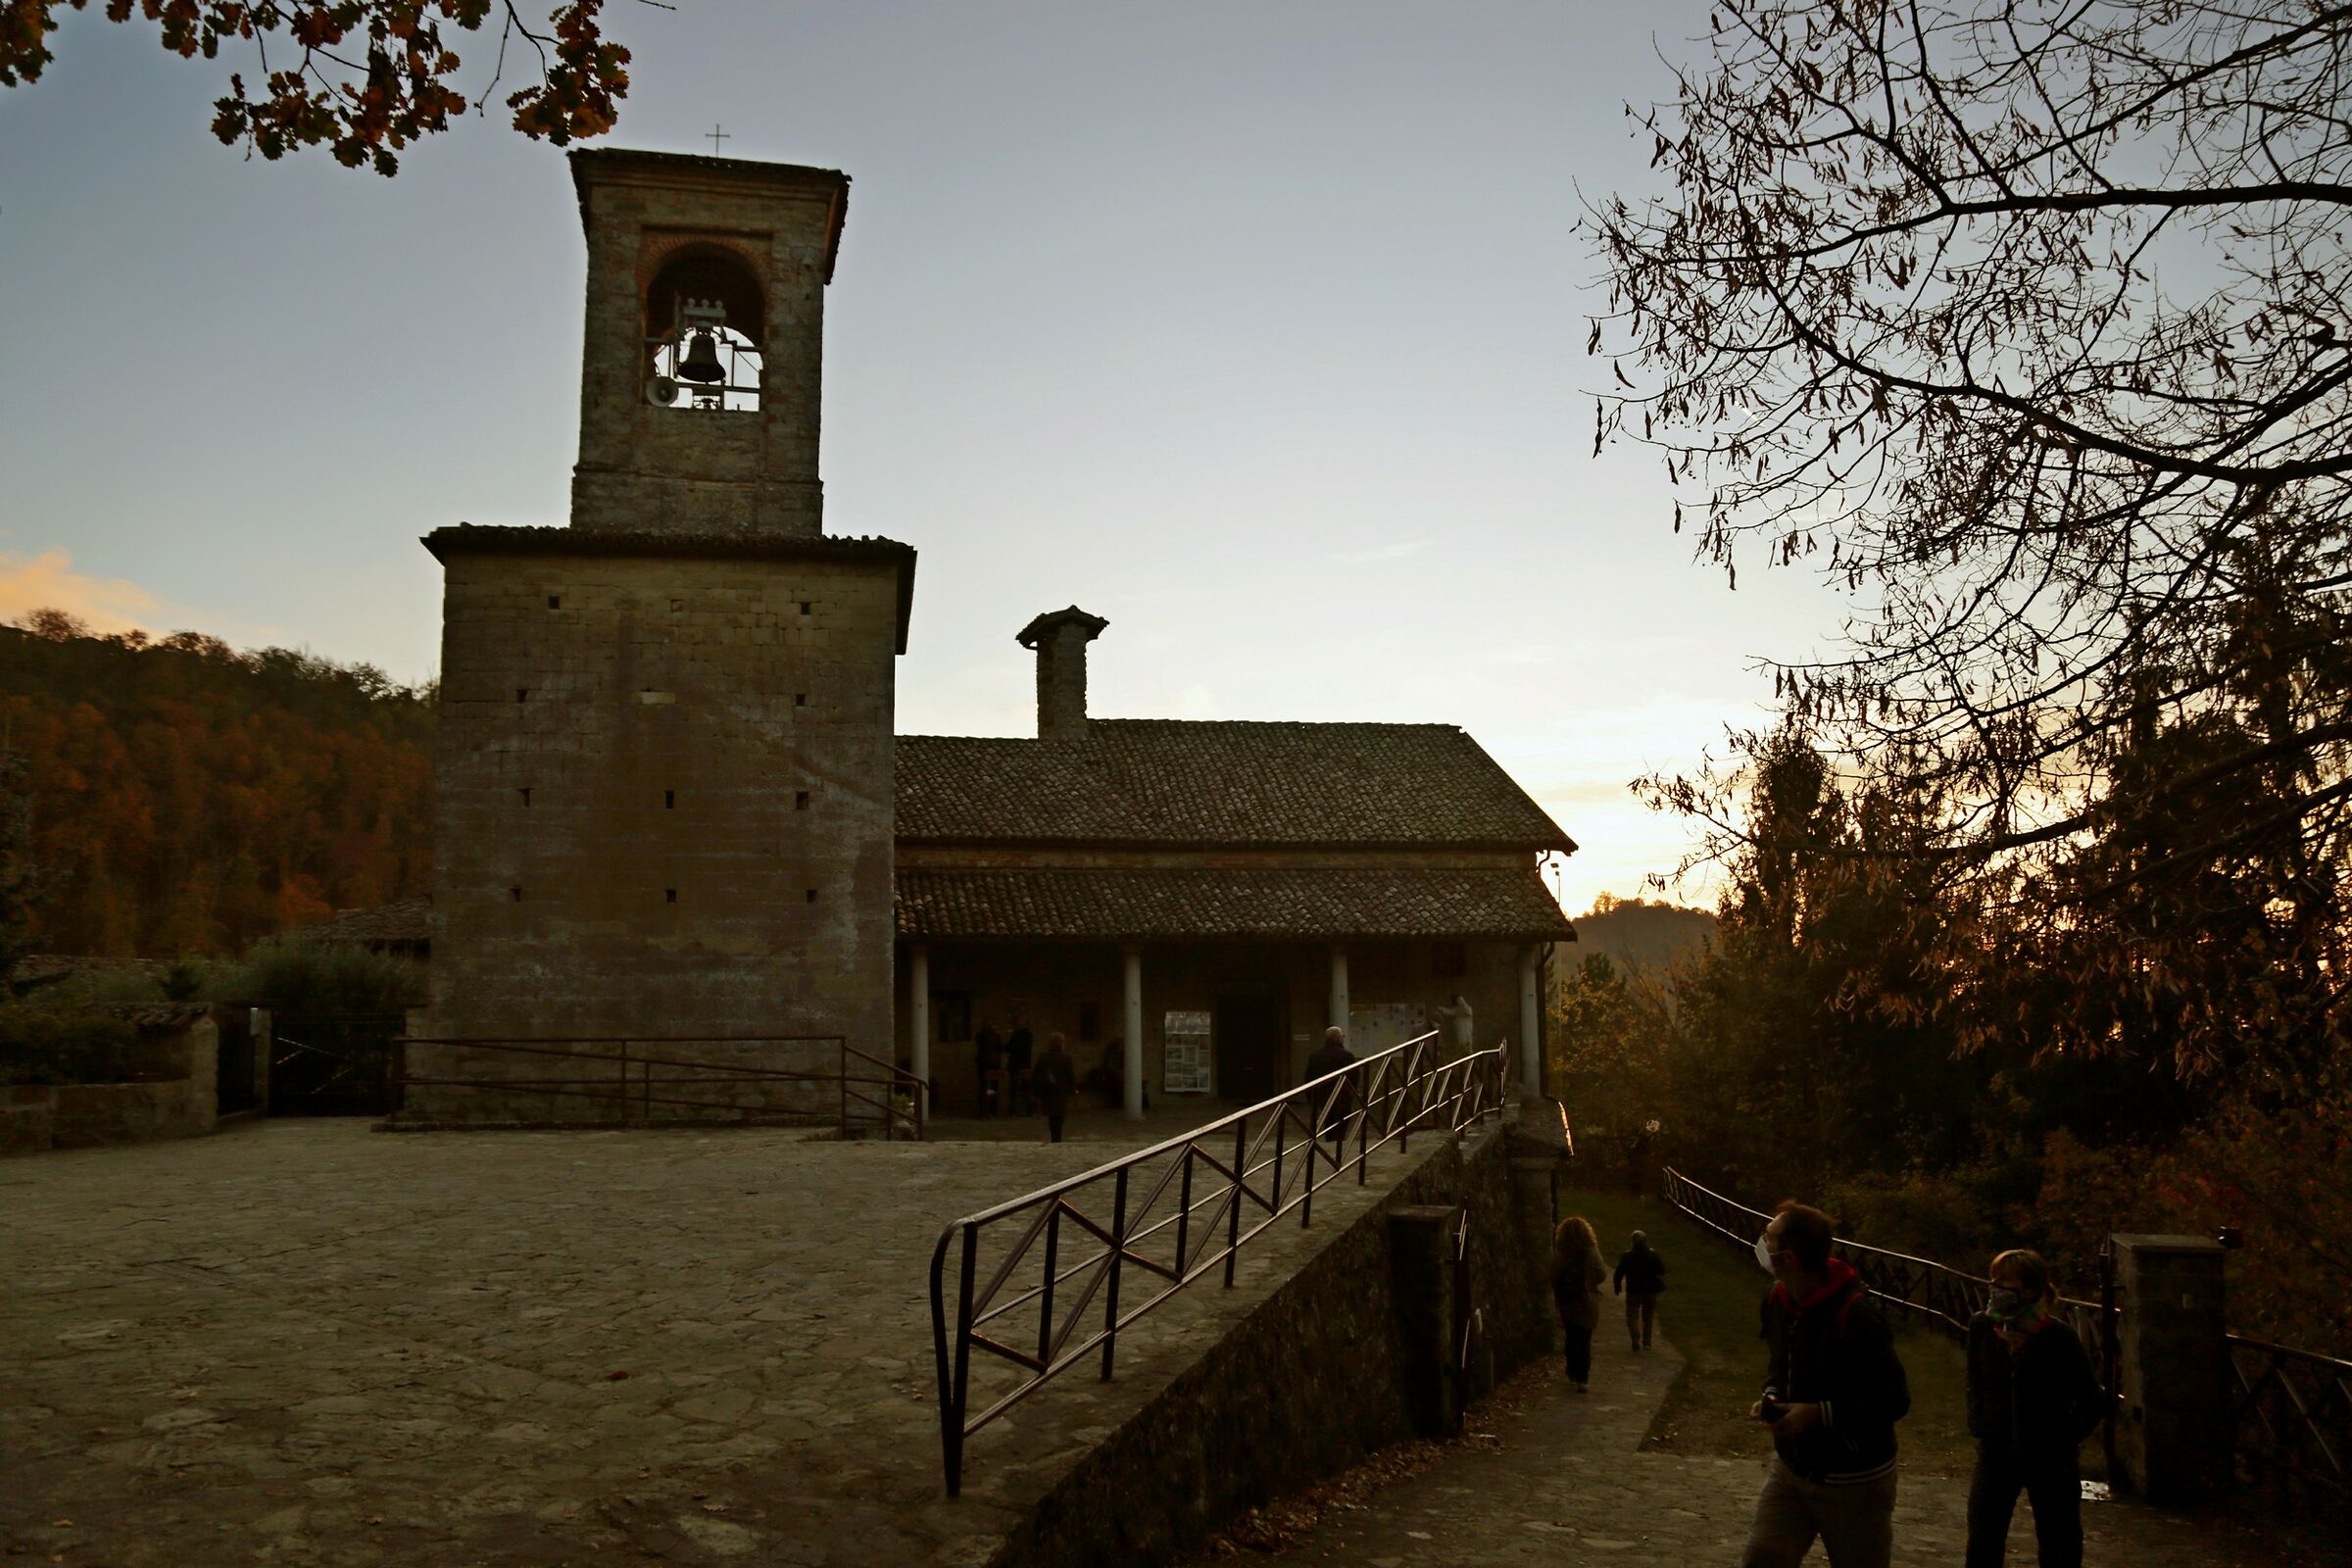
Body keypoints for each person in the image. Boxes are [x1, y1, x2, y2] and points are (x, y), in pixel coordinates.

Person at [1740, 1200, 1910, 1568]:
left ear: (1790, 1257)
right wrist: (1772, 1396)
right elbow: (1779, 1363)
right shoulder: (1777, 1299)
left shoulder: (1857, 1316)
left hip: (1855, 1480)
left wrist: (1818, 1415)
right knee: (1762, 1559)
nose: (1761, 1243)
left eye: (1768, 1238)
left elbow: (1894, 1400)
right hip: (1792, 1470)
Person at [1963, 1250, 2104, 1568]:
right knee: (1984, 1538)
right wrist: (1980, 1423)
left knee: (2059, 1542)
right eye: (1994, 1279)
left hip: (2050, 1459)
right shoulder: (1982, 1327)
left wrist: (2062, 1441)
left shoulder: (2059, 1337)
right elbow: (1975, 1380)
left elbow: (2091, 1400)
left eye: (2005, 1281)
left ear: (2029, 1289)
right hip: (1996, 1453)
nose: (1995, 1286)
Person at [1551, 1215, 1607, 1392]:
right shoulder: (1591, 1251)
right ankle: (1582, 1378)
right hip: (1587, 1301)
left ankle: (1572, 1369)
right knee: (1584, 1339)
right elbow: (1601, 1273)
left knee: (1571, 1336)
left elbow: (1553, 1274)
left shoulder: (1561, 1252)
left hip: (1567, 1302)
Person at [1302, 1025, 1356, 1152]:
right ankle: (1338, 1147)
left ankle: (1329, 1142)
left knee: (1327, 1120)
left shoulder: (1315, 1054)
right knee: (1341, 1121)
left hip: (1322, 1094)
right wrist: (1353, 1092)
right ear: (1338, 1038)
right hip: (1342, 1094)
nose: (1343, 1038)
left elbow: (1309, 1075)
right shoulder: (1347, 1055)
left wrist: (1310, 1095)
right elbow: (1353, 1076)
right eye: (1342, 1036)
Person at [1614, 1228, 1667, 1351]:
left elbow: (1619, 1273)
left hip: (1633, 1290)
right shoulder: (1653, 1255)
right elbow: (1662, 1271)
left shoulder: (1627, 1256)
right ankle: (1647, 1342)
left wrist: (1617, 1286)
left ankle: (1635, 1338)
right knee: (1648, 1317)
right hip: (1650, 1291)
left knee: (1632, 1316)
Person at [1032, 1032, 1078, 1144]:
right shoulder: (1066, 1058)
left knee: (1051, 1116)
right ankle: (1056, 1138)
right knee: (1058, 1117)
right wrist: (1073, 1089)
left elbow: (1036, 1074)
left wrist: (1035, 1091)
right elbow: (1070, 1075)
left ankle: (1054, 1137)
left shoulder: (1044, 1057)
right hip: (1060, 1091)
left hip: (1047, 1090)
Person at [973, 1018, 1004, 1118]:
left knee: (983, 1087)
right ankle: (993, 1110)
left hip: (983, 1064)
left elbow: (979, 1047)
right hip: (995, 1064)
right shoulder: (997, 1035)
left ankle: (983, 1111)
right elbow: (1001, 1048)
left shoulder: (980, 1035)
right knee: (993, 1087)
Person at [1005, 1017, 1036, 1116]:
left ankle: (1012, 1111)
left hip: (1015, 1065)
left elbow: (1010, 1048)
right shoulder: (1029, 1035)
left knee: (1013, 1089)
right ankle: (1029, 1110)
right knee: (1026, 1087)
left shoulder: (1016, 1034)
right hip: (1026, 1065)